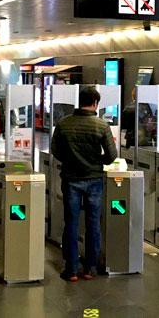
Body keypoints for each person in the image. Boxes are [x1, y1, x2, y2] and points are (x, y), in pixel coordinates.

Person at [50, 87, 118, 282]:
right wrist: (98, 163)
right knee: (93, 223)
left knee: (71, 222)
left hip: (71, 179)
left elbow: (55, 150)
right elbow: (112, 155)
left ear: (79, 101)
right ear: (96, 104)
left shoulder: (64, 124)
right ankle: (90, 268)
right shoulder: (101, 125)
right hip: (94, 180)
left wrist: (71, 161)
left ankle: (71, 270)